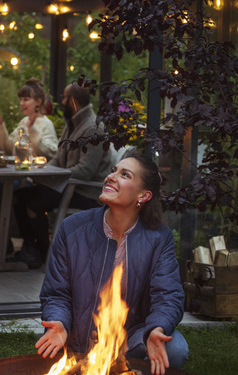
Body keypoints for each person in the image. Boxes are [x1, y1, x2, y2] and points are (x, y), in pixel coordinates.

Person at [35, 153, 189, 375]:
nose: (111, 177)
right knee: (50, 354)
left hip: (130, 341)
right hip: (77, 340)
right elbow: (56, 293)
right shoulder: (72, 228)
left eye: (124, 174)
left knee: (174, 348)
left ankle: (123, 368)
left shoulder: (158, 238)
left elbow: (168, 295)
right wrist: (58, 323)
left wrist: (157, 329)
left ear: (144, 195)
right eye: (114, 170)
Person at [10, 82, 114, 268]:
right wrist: (44, 171)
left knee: (34, 204)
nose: (61, 101)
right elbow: (58, 160)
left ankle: (41, 253)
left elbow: (86, 171)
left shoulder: (93, 128)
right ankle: (30, 248)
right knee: (19, 197)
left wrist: (55, 174)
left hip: (86, 192)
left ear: (73, 101)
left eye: (65, 97)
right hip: (67, 185)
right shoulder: (72, 124)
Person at [0, 77, 58, 160]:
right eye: (21, 100)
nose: (21, 103)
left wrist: (32, 130)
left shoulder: (46, 124)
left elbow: (50, 153)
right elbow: (9, 149)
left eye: (26, 100)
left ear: (38, 101)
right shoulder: (24, 122)